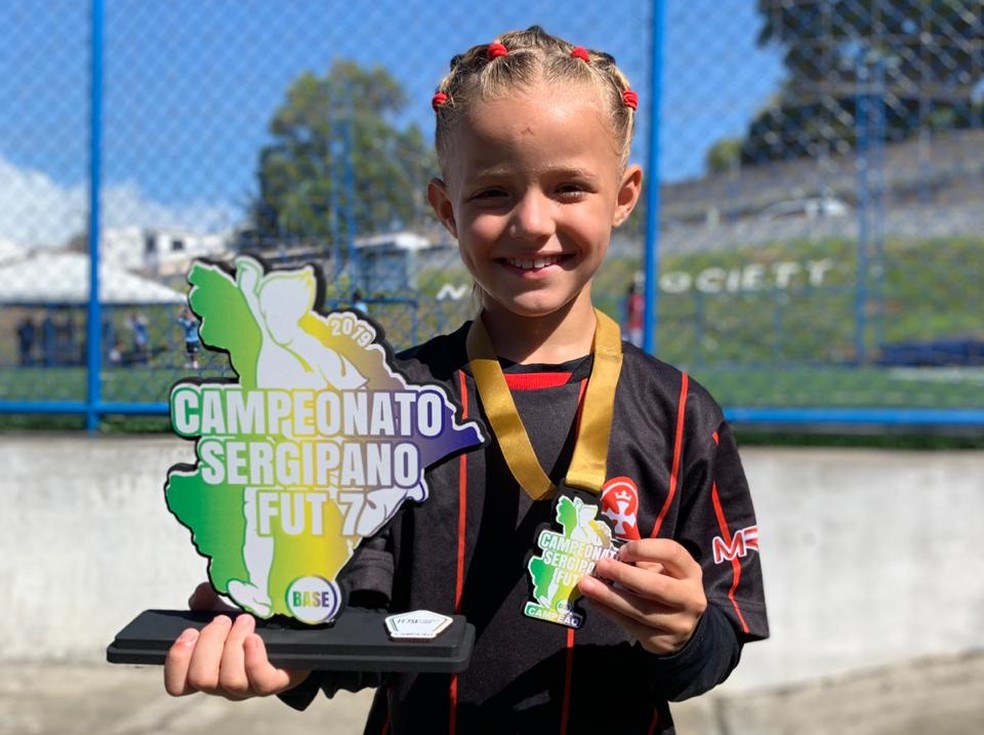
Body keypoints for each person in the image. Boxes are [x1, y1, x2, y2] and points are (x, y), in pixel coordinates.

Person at [163, 26, 768, 733]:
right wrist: (287, 655)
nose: (533, 222)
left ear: (624, 194)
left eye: (570, 187)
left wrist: (683, 633)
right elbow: (355, 625)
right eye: (493, 193)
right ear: (446, 208)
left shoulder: (683, 414)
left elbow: (715, 649)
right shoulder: (387, 405)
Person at [625, 281, 645, 348]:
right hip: (637, 327)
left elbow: (635, 313)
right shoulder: (639, 298)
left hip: (635, 328)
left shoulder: (634, 298)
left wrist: (630, 324)